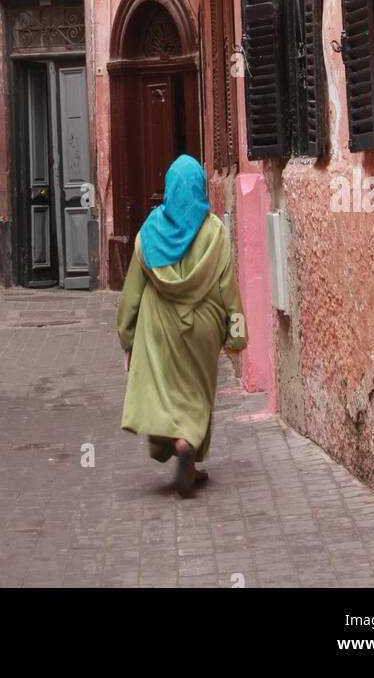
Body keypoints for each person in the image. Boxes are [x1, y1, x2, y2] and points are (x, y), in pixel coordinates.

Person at [116, 154, 248, 498]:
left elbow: (132, 294)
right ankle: (188, 440)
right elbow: (228, 288)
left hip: (158, 325)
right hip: (203, 326)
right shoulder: (215, 231)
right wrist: (236, 332)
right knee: (196, 392)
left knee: (163, 391)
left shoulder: (150, 231)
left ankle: (177, 442)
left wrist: (128, 337)